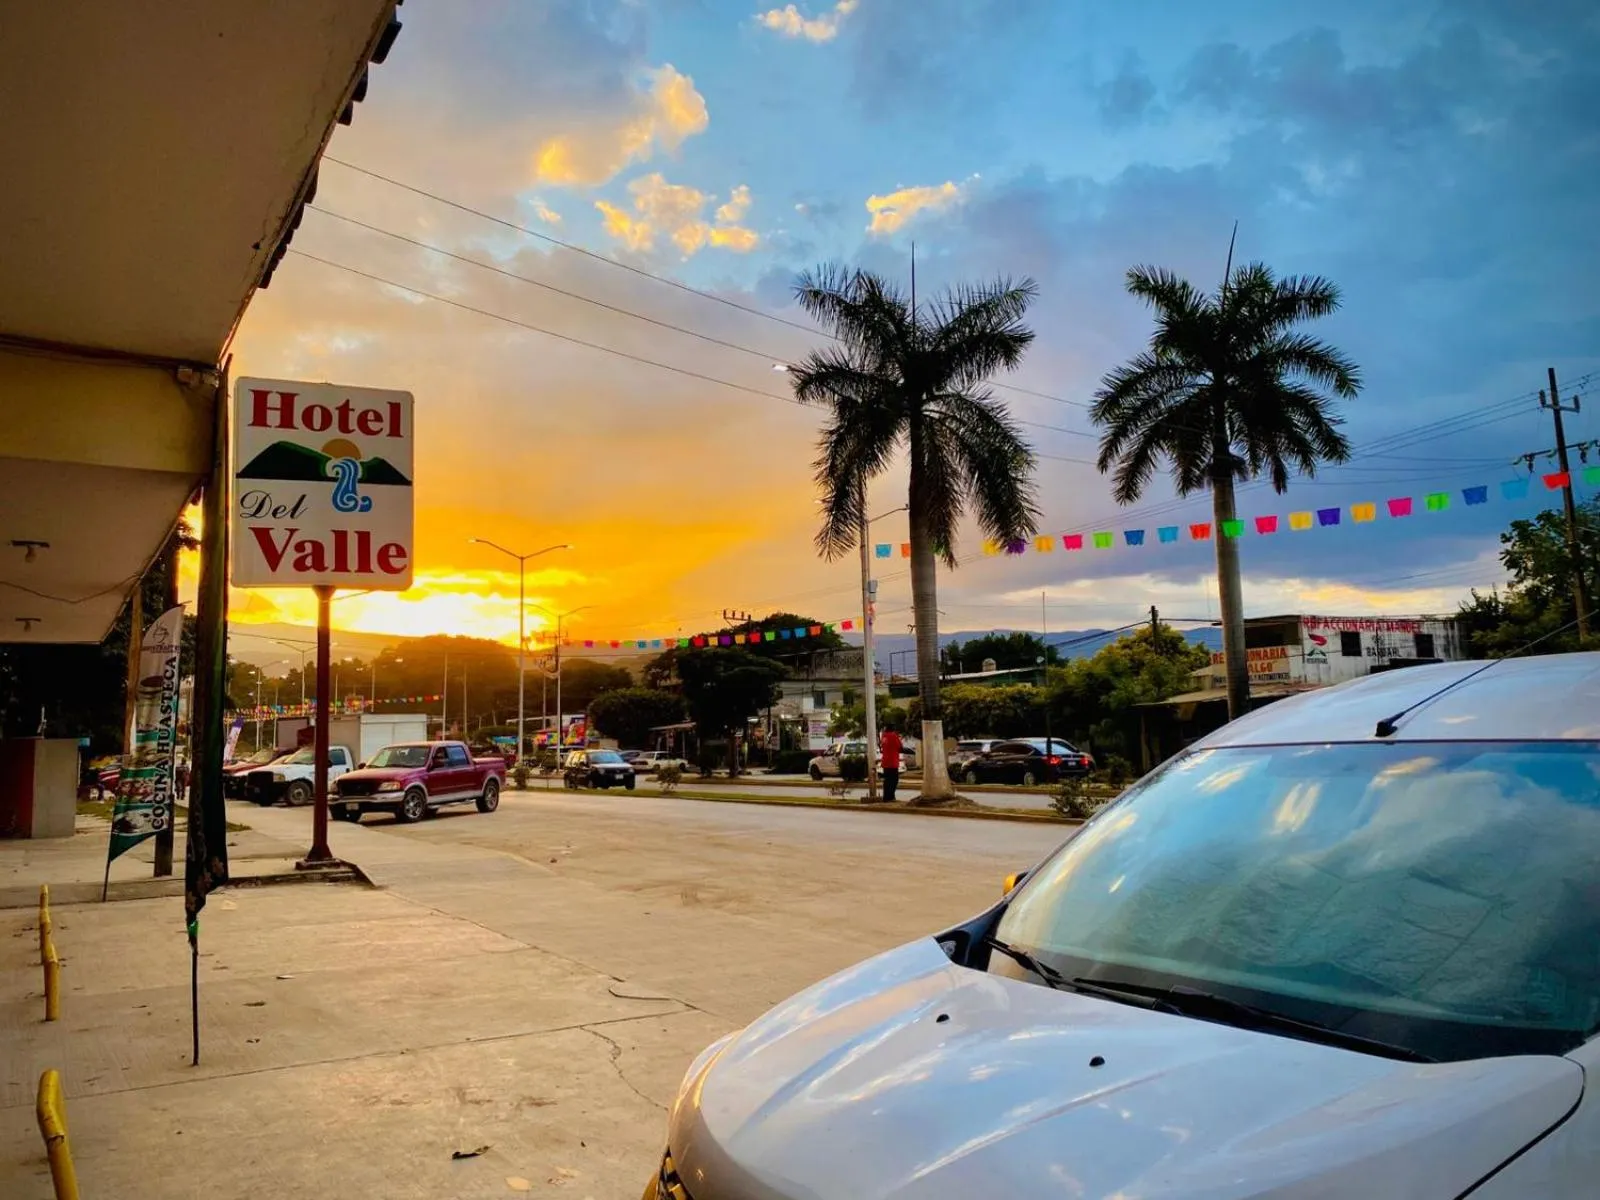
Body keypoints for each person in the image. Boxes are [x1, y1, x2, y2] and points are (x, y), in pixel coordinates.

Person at [879, 727, 902, 803]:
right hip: (892, 762)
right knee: (894, 780)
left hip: (885, 761)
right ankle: (890, 796)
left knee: (887, 780)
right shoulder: (894, 735)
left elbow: (883, 746)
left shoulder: (883, 736)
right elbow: (899, 747)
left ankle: (886, 797)